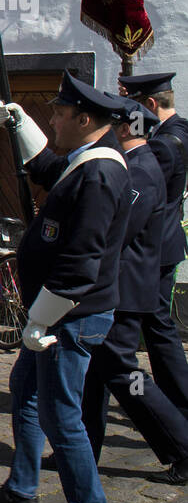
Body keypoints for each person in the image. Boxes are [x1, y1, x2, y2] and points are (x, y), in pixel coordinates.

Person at [0, 73, 130, 503]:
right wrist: (19, 126)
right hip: (56, 314)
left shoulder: (101, 173)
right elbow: (45, 168)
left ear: (84, 119)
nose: (53, 118)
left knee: (62, 418)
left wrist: (41, 320)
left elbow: (81, 262)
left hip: (69, 317)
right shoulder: (85, 162)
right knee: (25, 392)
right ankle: (22, 492)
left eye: (59, 114)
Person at [81, 98, 188, 483]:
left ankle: (183, 445)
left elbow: (119, 233)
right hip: (120, 287)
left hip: (125, 291)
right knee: (95, 374)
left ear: (126, 129)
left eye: (113, 125)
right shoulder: (138, 165)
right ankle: (81, 452)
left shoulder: (141, 171)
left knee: (124, 374)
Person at [117, 71, 188, 429]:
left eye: (130, 105)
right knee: (158, 329)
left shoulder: (162, 144)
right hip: (165, 244)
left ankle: (179, 407)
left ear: (148, 105)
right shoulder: (178, 131)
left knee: (158, 332)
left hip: (153, 249)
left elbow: (142, 198)